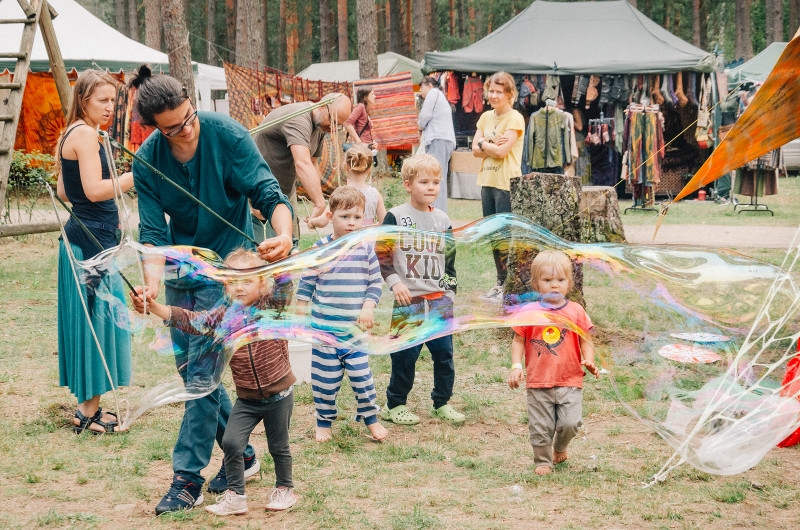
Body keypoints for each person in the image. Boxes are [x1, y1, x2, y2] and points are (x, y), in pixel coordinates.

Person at [129, 64, 294, 515]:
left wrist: (281, 231)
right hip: (186, 275)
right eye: (171, 129)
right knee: (195, 380)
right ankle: (242, 454)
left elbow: (267, 192)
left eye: (188, 118)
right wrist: (150, 287)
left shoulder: (228, 135)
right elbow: (153, 234)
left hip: (234, 274)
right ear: (154, 129)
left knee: (201, 378)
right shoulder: (146, 161)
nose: (185, 130)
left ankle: (187, 478)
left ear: (191, 103)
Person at [131, 249, 298, 515]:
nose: (240, 288)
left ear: (262, 282)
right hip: (247, 398)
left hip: (278, 395)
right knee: (232, 442)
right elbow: (192, 321)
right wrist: (154, 307)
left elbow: (285, 286)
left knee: (279, 446)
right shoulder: (224, 316)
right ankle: (236, 496)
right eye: (233, 282)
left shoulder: (272, 307)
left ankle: (285, 489)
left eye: (248, 280)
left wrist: (280, 261)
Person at [55, 69, 135, 435]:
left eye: (113, 101)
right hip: (90, 241)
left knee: (97, 321)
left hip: (84, 238)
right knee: (98, 322)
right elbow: (92, 190)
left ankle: (90, 406)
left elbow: (63, 192)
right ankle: (87, 412)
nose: (109, 107)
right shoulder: (86, 135)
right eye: (102, 100)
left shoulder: (71, 132)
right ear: (83, 98)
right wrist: (137, 177)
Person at [296, 186, 389, 443]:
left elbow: (374, 282)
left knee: (362, 378)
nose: (351, 223)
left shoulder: (365, 249)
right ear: (330, 215)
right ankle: (323, 421)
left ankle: (370, 418)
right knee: (324, 381)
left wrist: (368, 307)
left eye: (357, 217)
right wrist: (301, 312)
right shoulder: (320, 249)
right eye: (344, 216)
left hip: (355, 330)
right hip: (325, 330)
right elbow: (306, 283)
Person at [377, 154, 464, 426]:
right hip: (409, 301)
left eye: (436, 182)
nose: (431, 187)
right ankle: (395, 404)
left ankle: (442, 402)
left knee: (444, 355)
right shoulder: (396, 216)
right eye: (424, 181)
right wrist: (395, 282)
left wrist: (450, 293)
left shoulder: (442, 220)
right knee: (404, 356)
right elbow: (382, 256)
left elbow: (450, 261)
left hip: (439, 300)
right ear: (407, 184)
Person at [507, 250, 599, 476]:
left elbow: (586, 340)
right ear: (537, 283)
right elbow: (518, 340)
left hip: (570, 378)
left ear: (569, 282)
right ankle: (542, 461)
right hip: (539, 380)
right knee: (541, 426)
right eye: (547, 280)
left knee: (570, 423)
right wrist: (516, 366)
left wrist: (589, 359)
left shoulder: (576, 311)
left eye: (560, 280)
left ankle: (560, 446)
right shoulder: (529, 312)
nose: (554, 285)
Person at [254, 92, 352, 241]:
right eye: (332, 121)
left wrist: (318, 197)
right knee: (261, 247)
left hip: (284, 190)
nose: (332, 128)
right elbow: (303, 163)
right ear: (321, 106)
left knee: (291, 243)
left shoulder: (320, 126)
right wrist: (319, 203)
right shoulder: (299, 118)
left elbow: (313, 164)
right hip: (259, 188)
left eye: (337, 126)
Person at [471, 72, 525, 301]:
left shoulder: (515, 119)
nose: (493, 95)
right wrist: (488, 143)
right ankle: (500, 281)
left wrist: (484, 143)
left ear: (509, 94)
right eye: (491, 91)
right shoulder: (484, 118)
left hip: (506, 183)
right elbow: (474, 150)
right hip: (487, 182)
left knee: (505, 236)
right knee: (493, 236)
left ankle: (510, 283)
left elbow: (503, 153)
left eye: (499, 92)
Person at [307, 144, 386, 229]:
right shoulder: (375, 194)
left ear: (346, 166)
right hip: (368, 241)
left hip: (346, 241)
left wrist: (311, 221)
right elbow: (384, 223)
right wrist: (365, 228)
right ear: (369, 169)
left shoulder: (341, 193)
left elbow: (322, 222)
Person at [418, 76, 456, 212]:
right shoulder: (440, 96)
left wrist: (419, 126)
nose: (421, 91)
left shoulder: (433, 93)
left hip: (438, 138)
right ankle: (437, 210)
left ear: (428, 85)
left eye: (421, 87)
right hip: (443, 139)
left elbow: (424, 116)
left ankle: (436, 210)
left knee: (434, 176)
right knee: (438, 175)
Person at [344, 86, 377, 150]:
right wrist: (358, 141)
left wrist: (372, 143)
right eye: (372, 94)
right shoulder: (360, 107)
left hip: (368, 147)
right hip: (362, 148)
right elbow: (347, 123)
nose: (375, 96)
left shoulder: (365, 109)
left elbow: (365, 131)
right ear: (365, 96)